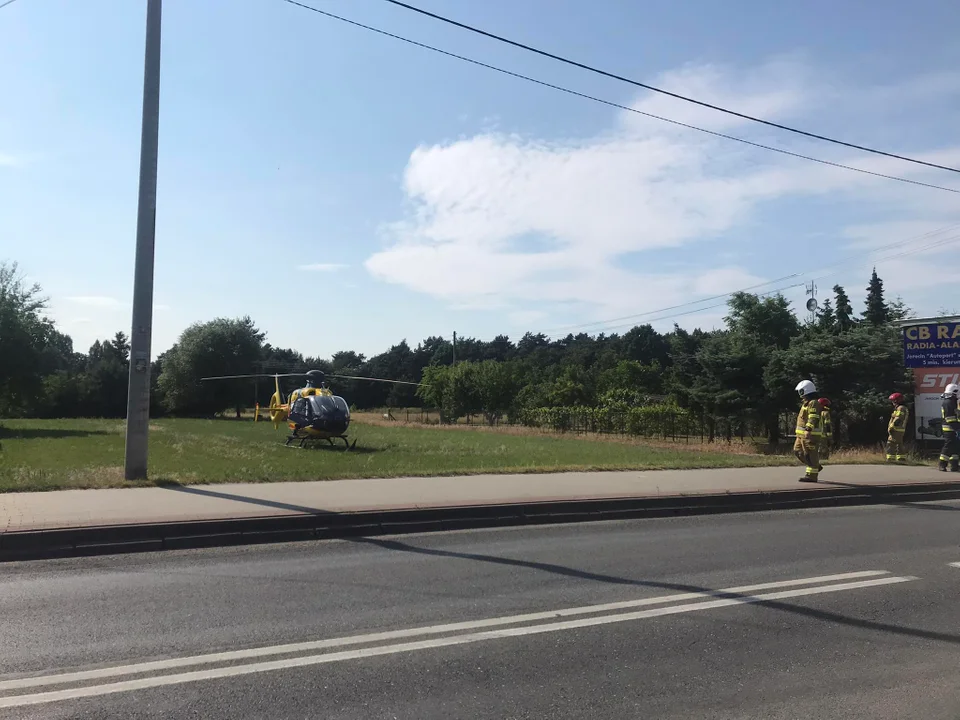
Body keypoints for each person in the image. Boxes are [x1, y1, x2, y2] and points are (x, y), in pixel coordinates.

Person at [794, 380, 823, 482]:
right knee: (798, 452)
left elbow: (813, 417)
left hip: (810, 435)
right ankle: (816, 466)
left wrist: (808, 429)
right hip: (801, 435)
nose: (800, 394)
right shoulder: (806, 403)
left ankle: (811, 476)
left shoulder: (813, 403)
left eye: (801, 391)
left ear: (806, 391)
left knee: (810, 454)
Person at [939, 383, 960, 471]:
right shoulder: (948, 402)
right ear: (954, 392)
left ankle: (954, 465)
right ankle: (942, 464)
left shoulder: (952, 402)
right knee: (948, 445)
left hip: (954, 427)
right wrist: (957, 428)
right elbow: (949, 418)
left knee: (956, 446)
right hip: (949, 427)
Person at [886, 393, 909, 462]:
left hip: (896, 429)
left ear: (896, 401)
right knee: (899, 443)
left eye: (893, 400)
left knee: (890, 443)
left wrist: (891, 427)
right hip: (899, 430)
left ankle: (890, 459)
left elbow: (898, 419)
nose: (892, 402)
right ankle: (901, 458)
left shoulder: (900, 408)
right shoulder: (901, 408)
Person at [818, 397, 832, 463]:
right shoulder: (825, 413)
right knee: (824, 451)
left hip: (814, 435)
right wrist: (829, 437)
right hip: (823, 436)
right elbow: (828, 425)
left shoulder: (814, 413)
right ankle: (823, 462)